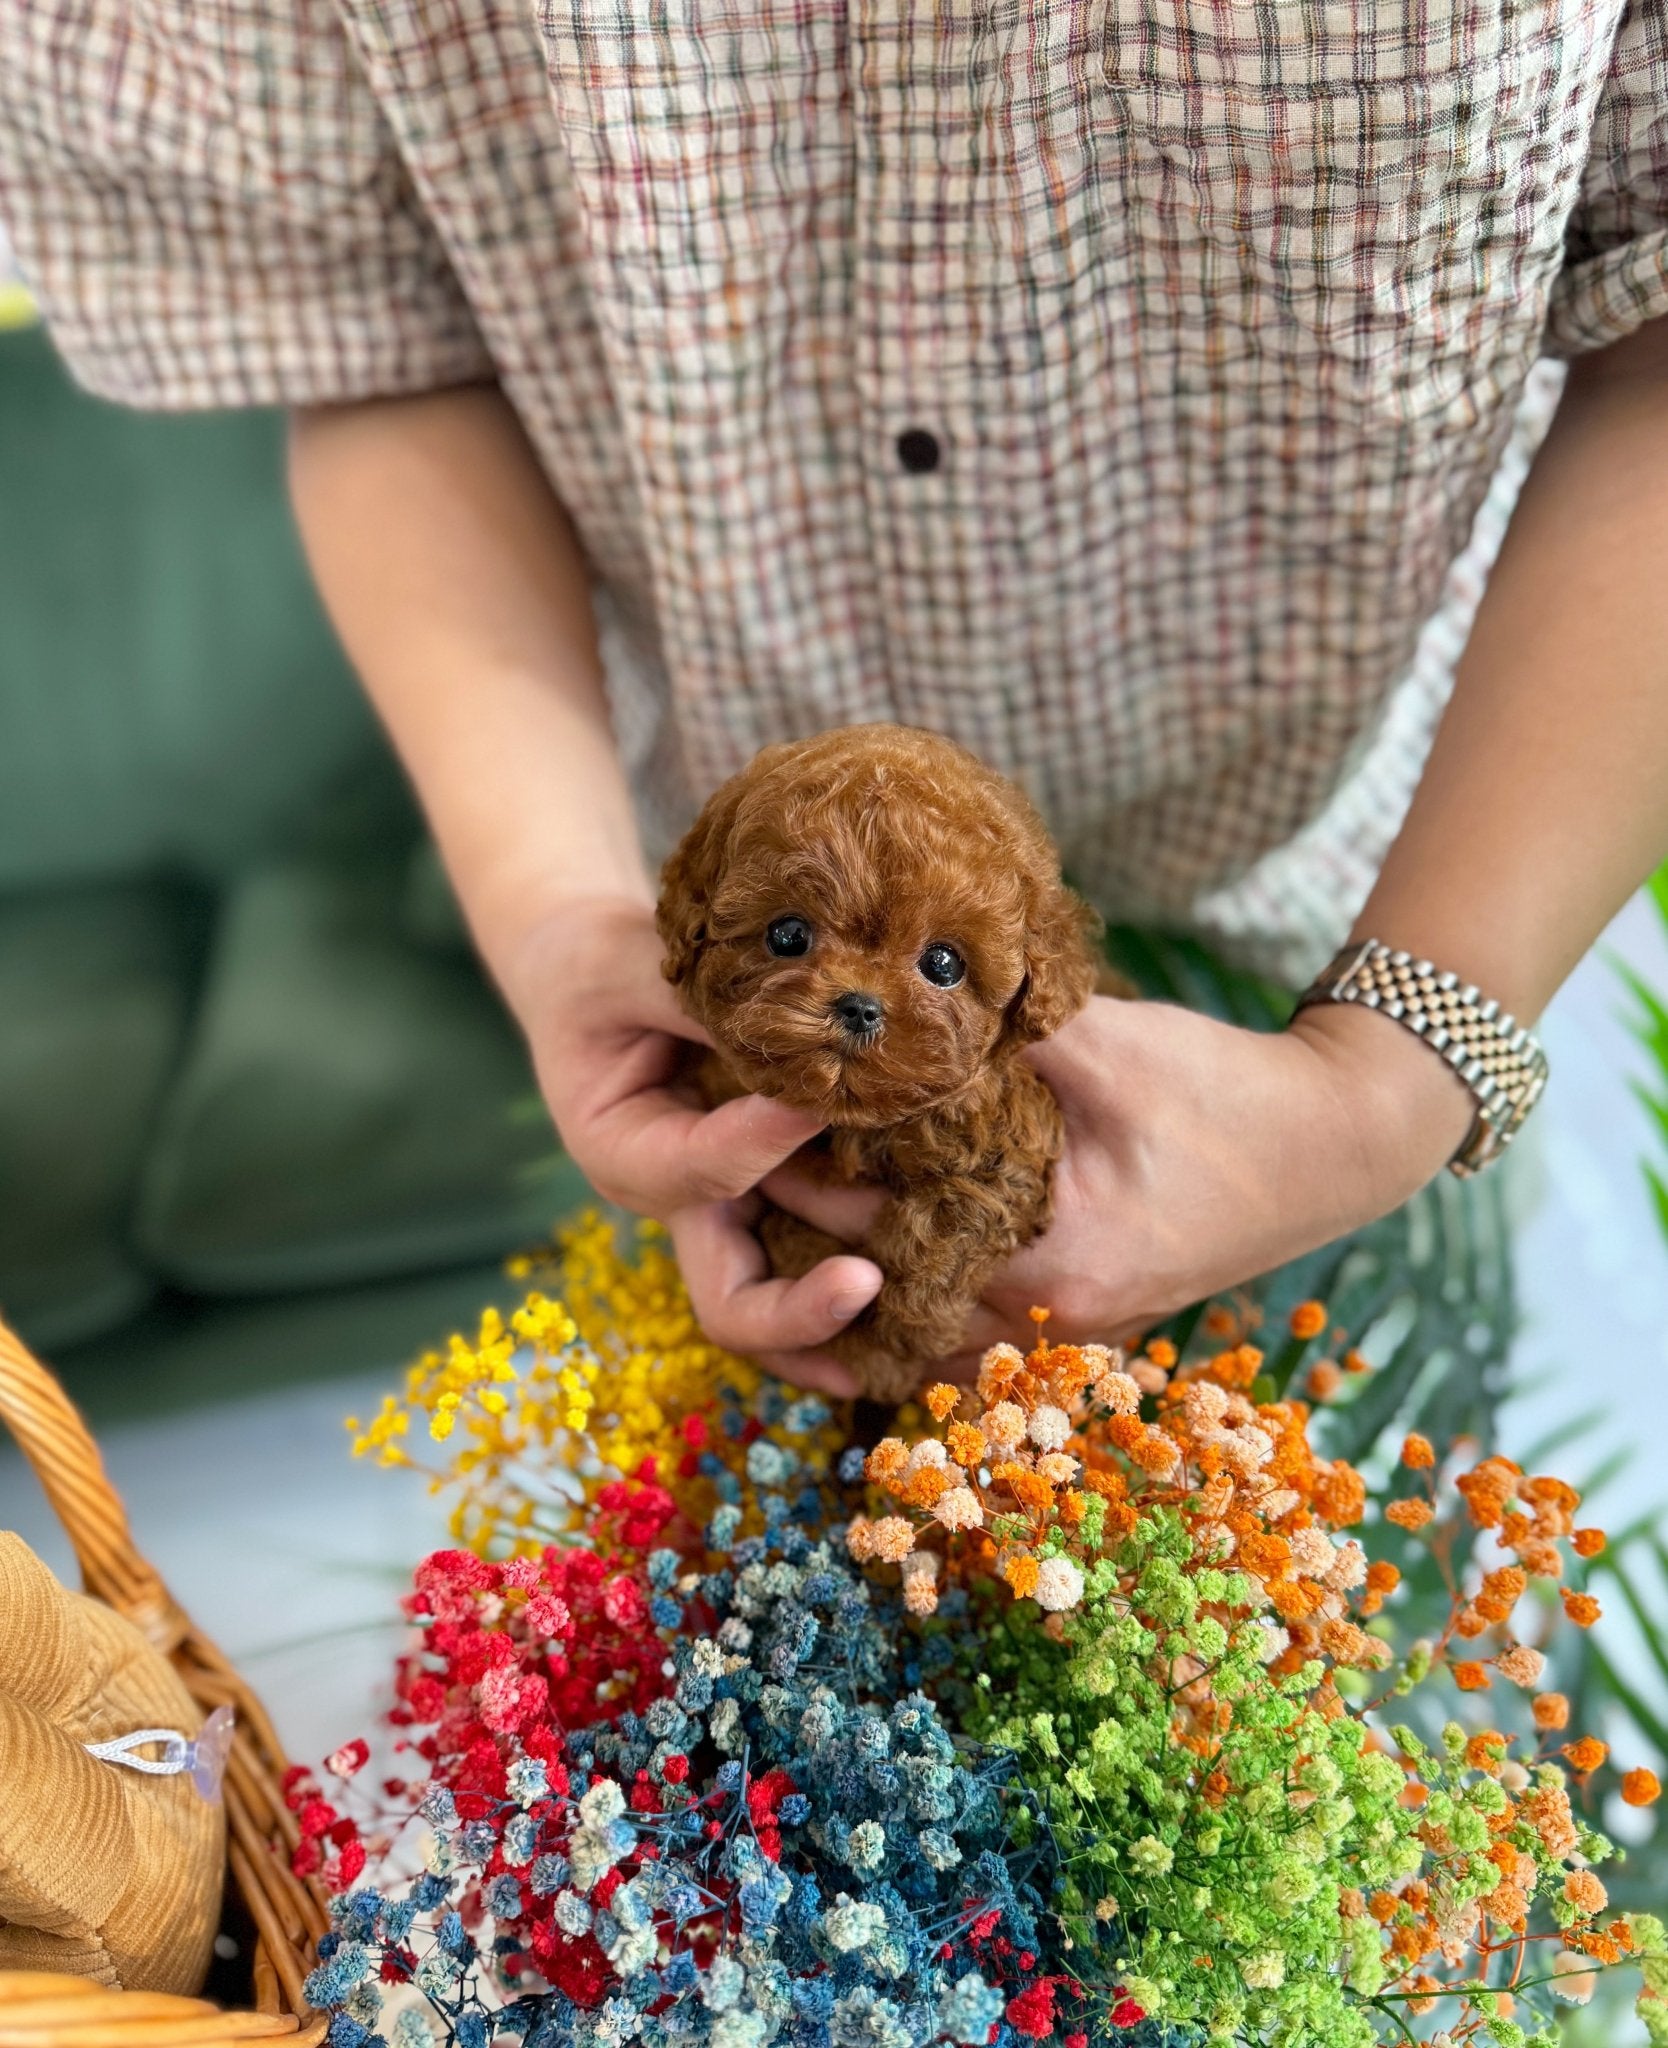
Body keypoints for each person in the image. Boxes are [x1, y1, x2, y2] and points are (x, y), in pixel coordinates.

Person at [5, 0, 1667, 1394]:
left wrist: (1388, 1080)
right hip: (658, 902)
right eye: (818, 946)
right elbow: (363, 330)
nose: (869, 1000)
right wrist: (562, 918)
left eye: (936, 968)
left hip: (1375, 900)